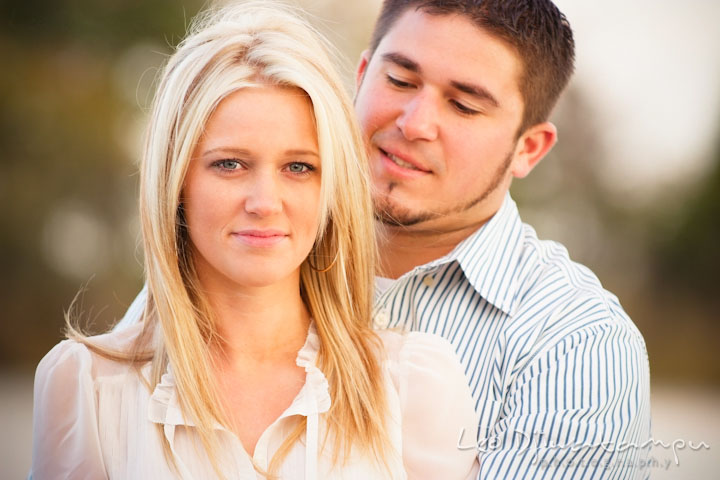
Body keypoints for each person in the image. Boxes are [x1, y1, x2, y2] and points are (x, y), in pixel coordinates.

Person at [118, 0, 653, 478]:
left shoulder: (575, 345)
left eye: (464, 106)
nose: (415, 123)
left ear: (528, 149)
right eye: (399, 80)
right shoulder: (246, 249)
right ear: (361, 75)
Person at [30, 2, 480, 479]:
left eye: (299, 167)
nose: (265, 202)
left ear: (332, 188)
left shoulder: (412, 384)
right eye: (230, 164)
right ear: (176, 180)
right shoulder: (87, 388)